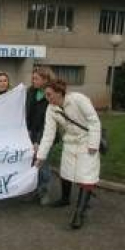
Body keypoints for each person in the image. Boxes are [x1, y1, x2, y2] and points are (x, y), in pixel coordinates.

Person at [35, 79, 101, 229]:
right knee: (66, 172)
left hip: (86, 141)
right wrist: (40, 156)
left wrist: (93, 144)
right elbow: (48, 134)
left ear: (59, 93)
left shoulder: (78, 99)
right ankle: (65, 199)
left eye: (49, 94)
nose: (47, 98)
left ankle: (79, 212)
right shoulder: (51, 109)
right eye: (46, 95)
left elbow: (94, 121)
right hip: (70, 142)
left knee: (86, 177)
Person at [25, 66, 56, 205]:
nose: (33, 81)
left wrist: (39, 141)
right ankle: (36, 190)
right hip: (32, 133)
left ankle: (45, 192)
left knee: (42, 164)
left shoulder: (51, 95)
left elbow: (48, 123)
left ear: (45, 79)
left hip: (45, 135)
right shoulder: (31, 92)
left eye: (36, 78)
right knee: (33, 163)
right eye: (32, 78)